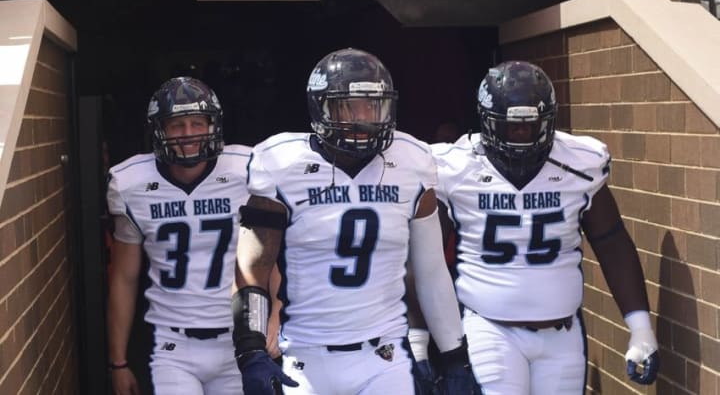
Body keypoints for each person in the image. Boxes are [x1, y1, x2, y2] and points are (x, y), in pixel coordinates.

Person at [230, 48, 478, 395]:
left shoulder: (413, 161)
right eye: (349, 106)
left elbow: (431, 270)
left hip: (385, 356)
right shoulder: (281, 163)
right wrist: (251, 350)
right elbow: (252, 270)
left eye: (372, 106)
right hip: (305, 355)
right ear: (321, 107)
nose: (363, 118)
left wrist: (454, 355)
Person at [431, 60, 660, 394]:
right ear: (488, 122)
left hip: (562, 335)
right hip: (490, 329)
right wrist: (421, 334)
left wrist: (640, 327)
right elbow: (425, 259)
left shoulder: (579, 164)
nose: (523, 134)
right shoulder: (456, 166)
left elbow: (611, 242)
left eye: (532, 124)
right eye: (512, 126)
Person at [106, 76, 259, 395]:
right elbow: (123, 277)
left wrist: (266, 328)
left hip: (236, 339)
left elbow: (265, 263)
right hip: (172, 345)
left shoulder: (246, 170)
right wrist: (117, 361)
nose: (188, 135)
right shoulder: (132, 183)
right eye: (177, 125)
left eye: (196, 123)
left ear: (212, 125)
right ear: (159, 130)